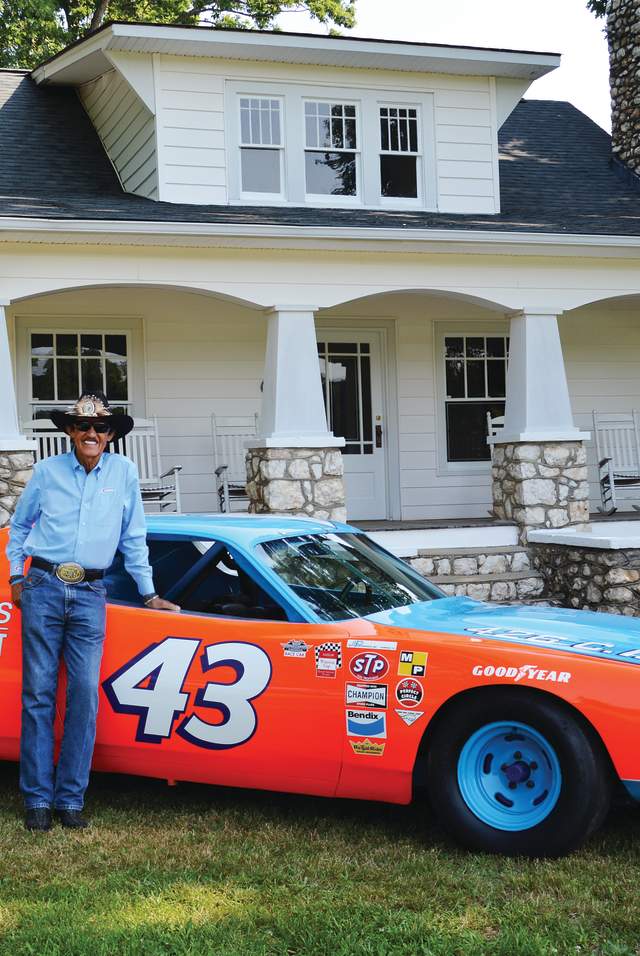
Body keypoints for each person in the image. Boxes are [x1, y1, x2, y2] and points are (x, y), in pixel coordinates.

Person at [6, 392, 180, 832]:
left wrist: (148, 594)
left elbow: (133, 536)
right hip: (43, 585)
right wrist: (15, 577)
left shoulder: (123, 473)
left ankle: (70, 799)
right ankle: (37, 801)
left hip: (90, 592)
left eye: (100, 428)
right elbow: (20, 526)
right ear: (69, 431)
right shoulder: (46, 472)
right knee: (38, 695)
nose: (91, 434)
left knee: (84, 696)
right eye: (83, 427)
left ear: (111, 435)